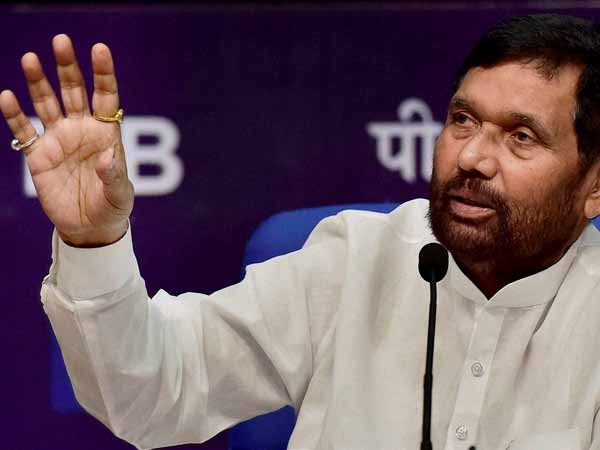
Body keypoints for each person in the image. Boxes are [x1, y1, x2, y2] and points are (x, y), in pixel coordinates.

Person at [2, 12, 600, 450]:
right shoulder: (355, 261)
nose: (471, 158)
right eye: (463, 120)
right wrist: (94, 241)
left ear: (593, 186)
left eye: (521, 137)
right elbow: (151, 393)